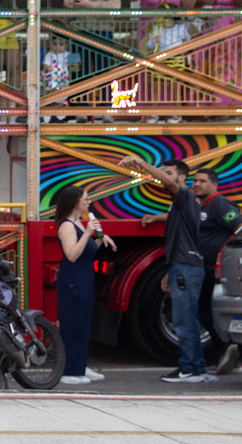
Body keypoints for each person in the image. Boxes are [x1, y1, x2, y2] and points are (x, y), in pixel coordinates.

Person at [119, 155, 216, 383]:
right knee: (187, 319)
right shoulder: (184, 202)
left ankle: (191, 369)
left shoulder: (183, 195)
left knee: (184, 320)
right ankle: (196, 369)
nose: (164, 177)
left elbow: (169, 184)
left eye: (169, 173)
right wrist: (168, 271)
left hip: (186, 267)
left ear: (181, 178)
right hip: (184, 266)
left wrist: (142, 163)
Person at [141, 167, 242, 374]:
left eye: (202, 181)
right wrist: (156, 217)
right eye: (195, 181)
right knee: (202, 312)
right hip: (198, 268)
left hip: (212, 269)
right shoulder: (198, 204)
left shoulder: (219, 204)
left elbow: (239, 228)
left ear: (214, 185)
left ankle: (229, 352)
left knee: (201, 313)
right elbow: (187, 217)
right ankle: (228, 351)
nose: (196, 184)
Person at [53, 185, 117, 385]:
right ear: (75, 202)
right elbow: (72, 254)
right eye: (85, 199)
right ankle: (68, 370)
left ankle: (79, 366)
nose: (88, 202)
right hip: (74, 278)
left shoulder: (79, 223)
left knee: (83, 323)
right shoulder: (66, 226)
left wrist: (100, 238)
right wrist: (88, 233)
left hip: (85, 276)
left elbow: (86, 250)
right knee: (72, 323)